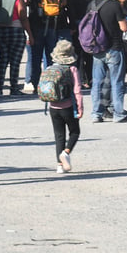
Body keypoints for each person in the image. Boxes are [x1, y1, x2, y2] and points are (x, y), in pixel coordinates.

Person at [88, 0, 127, 123]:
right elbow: (124, 28)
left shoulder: (92, 4)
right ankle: (119, 114)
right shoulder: (114, 6)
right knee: (117, 82)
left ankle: (96, 113)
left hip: (97, 49)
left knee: (97, 82)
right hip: (114, 48)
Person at [46, 40, 83, 174]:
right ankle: (66, 152)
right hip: (68, 106)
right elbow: (77, 90)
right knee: (75, 132)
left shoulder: (50, 68)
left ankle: (59, 166)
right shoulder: (72, 69)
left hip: (53, 106)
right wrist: (80, 108)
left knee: (59, 136)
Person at [0, 0, 32, 96]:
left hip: (0, 31)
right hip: (15, 31)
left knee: (2, 61)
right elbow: (23, 17)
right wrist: (30, 34)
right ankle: (14, 87)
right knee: (15, 61)